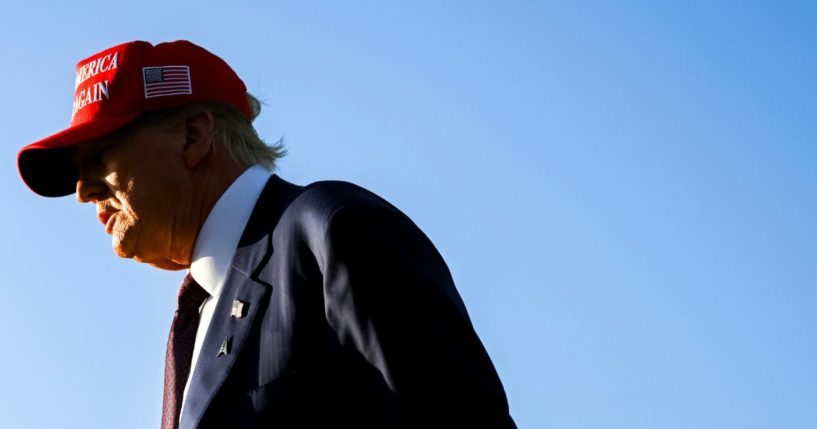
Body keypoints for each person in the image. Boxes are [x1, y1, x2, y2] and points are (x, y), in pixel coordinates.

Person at [17, 40, 516, 429]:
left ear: (193, 136)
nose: (82, 192)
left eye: (99, 158)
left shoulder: (333, 233)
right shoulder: (200, 311)